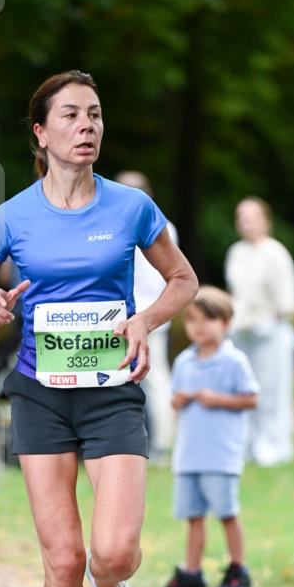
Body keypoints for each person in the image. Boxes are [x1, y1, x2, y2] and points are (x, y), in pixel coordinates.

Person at [0, 69, 198, 587]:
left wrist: (143, 321)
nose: (86, 126)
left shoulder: (130, 209)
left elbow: (183, 279)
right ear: (42, 132)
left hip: (112, 392)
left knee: (110, 552)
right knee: (61, 557)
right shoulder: (11, 219)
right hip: (40, 395)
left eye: (94, 115)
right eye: (71, 116)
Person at [158, 286, 259, 587]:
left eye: (207, 320)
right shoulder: (185, 362)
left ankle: (238, 568)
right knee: (193, 516)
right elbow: (174, 400)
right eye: (192, 321)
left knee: (226, 512)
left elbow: (251, 398)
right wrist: (180, 401)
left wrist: (216, 399)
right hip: (189, 453)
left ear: (225, 323)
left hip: (220, 454)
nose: (198, 327)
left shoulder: (234, 361)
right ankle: (192, 571)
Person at [224, 196, 294, 466]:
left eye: (252, 218)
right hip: (242, 332)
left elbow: (288, 299)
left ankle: (274, 445)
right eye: (241, 219)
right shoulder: (236, 252)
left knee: (271, 391)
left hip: (271, 334)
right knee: (246, 389)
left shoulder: (275, 252)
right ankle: (250, 443)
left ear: (265, 221)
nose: (246, 225)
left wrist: (267, 320)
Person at [115, 170, 179, 464]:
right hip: (136, 314)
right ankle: (146, 441)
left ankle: (161, 444)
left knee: (154, 380)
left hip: (149, 313)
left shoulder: (152, 228)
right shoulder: (161, 225)